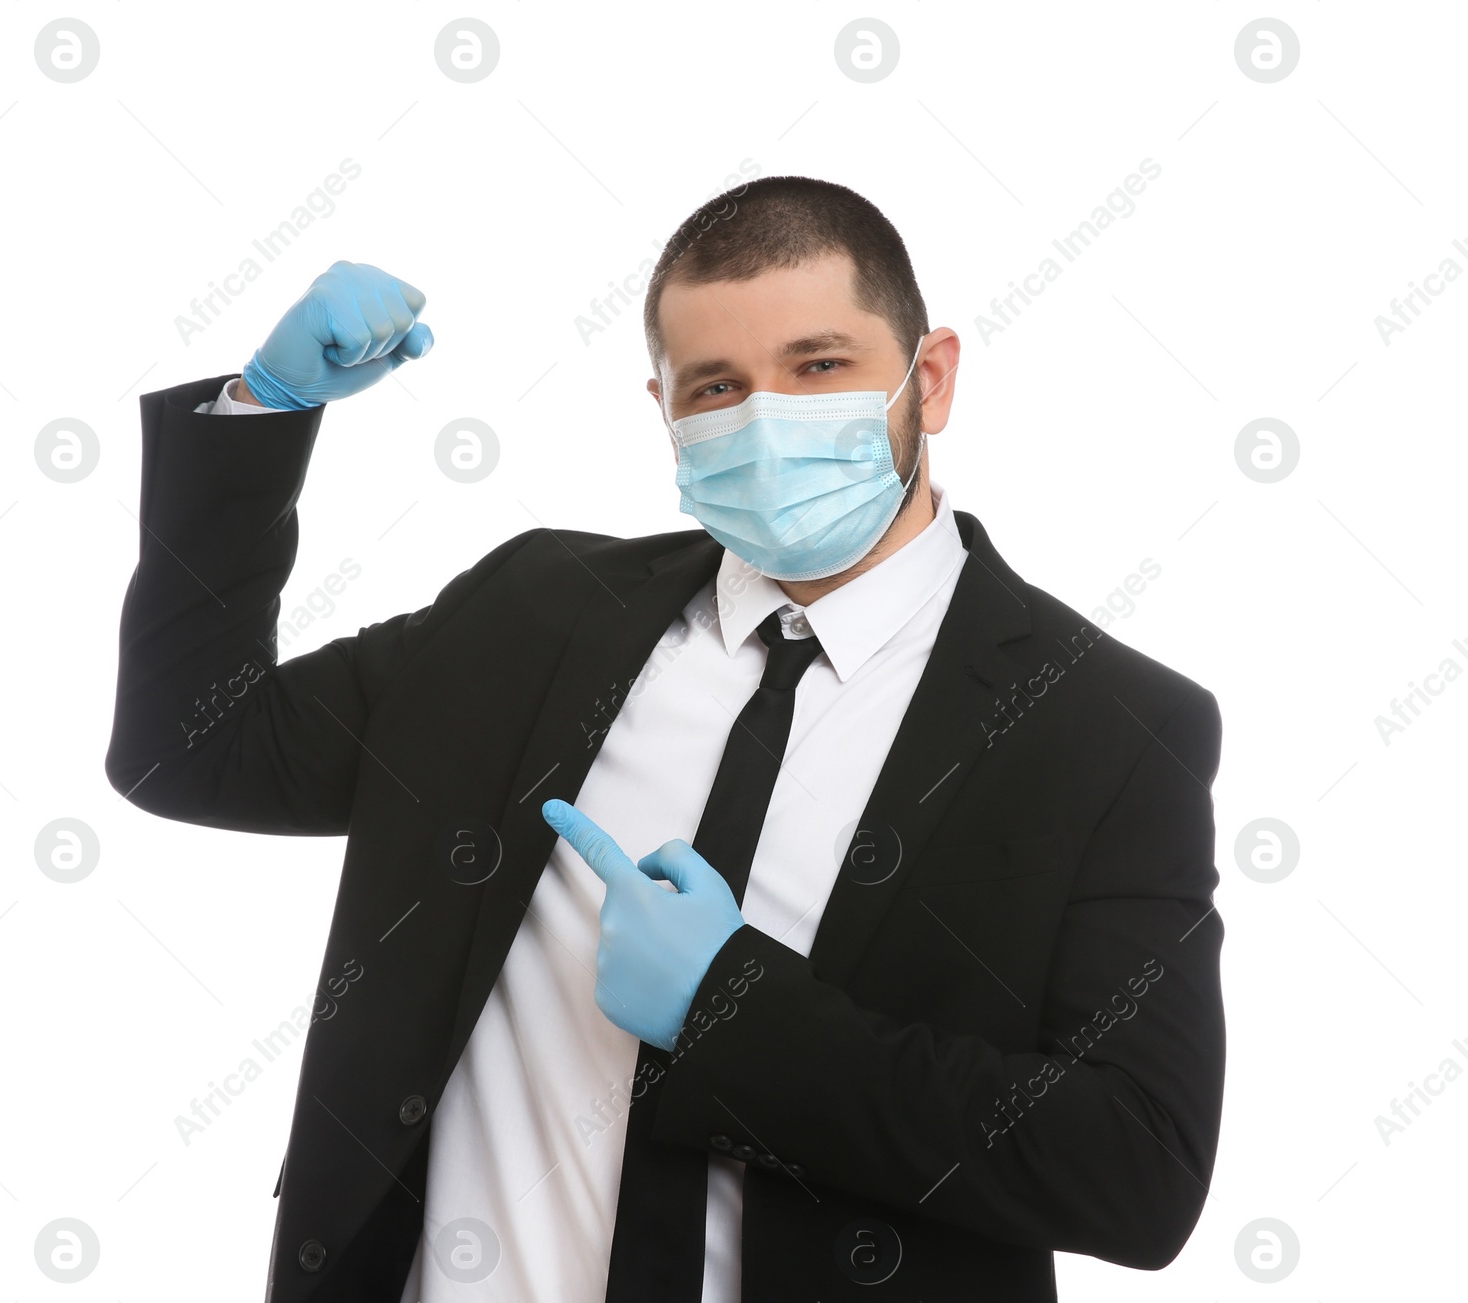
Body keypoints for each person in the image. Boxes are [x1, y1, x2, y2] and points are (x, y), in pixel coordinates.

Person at [105, 175, 1225, 1303]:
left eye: (818, 366)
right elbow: (194, 747)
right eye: (718, 387)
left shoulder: (1108, 730)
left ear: (927, 380)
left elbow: (1135, 1170)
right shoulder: (535, 612)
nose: (764, 417)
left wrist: (729, 1006)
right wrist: (268, 405)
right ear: (665, 412)